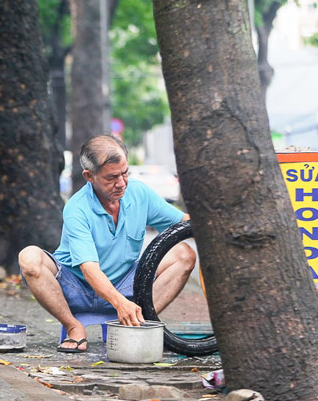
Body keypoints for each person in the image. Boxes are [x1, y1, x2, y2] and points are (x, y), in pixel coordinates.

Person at [18, 135, 196, 353]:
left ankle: (137, 324)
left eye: (125, 173)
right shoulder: (77, 208)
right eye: (111, 177)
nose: (121, 183)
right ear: (89, 176)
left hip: (125, 283)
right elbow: (89, 269)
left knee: (184, 254)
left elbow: (183, 224)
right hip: (76, 288)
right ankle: (74, 327)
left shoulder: (140, 193)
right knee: (29, 257)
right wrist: (120, 304)